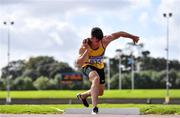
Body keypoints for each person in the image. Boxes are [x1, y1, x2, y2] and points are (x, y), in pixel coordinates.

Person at [76, 27, 139, 114]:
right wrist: (87, 50)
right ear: (92, 38)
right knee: (95, 79)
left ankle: (83, 96)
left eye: (99, 40)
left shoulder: (105, 40)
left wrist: (132, 37)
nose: (98, 43)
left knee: (100, 92)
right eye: (96, 41)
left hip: (100, 67)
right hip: (87, 66)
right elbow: (79, 62)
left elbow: (119, 34)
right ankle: (94, 108)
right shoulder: (85, 45)